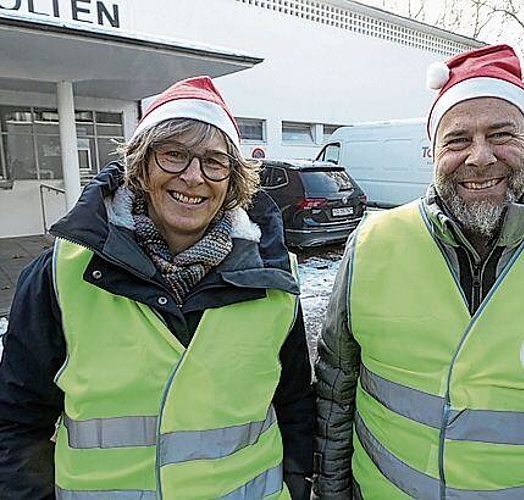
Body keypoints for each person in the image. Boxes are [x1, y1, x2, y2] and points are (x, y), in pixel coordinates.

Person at [314, 44, 524, 499]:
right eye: (458, 140)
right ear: (433, 153)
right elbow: (336, 392)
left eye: (501, 134)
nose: (480, 156)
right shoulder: (374, 244)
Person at [0, 76, 314, 499]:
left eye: (214, 162)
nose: (193, 176)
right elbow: (18, 420)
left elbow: (293, 403)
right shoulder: (61, 273)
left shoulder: (274, 278)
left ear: (233, 180)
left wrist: (294, 484)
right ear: (141, 165)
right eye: (174, 155)